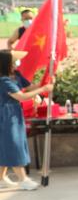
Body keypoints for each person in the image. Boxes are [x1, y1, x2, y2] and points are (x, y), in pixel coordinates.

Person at [0, 50, 51, 190]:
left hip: (15, 115)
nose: (16, 64)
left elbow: (30, 87)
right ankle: (23, 179)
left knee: (6, 146)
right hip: (5, 117)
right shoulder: (4, 81)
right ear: (6, 63)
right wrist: (43, 89)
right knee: (13, 145)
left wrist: (46, 81)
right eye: (13, 61)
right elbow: (21, 96)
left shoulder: (16, 75)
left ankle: (1, 179)